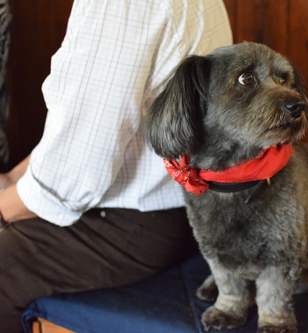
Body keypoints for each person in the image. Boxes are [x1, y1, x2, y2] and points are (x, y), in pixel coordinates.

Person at [0, 0, 232, 331]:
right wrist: (13, 177)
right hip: (186, 200)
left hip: (138, 220)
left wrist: (2, 210)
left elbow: (79, 168)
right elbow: (78, 135)